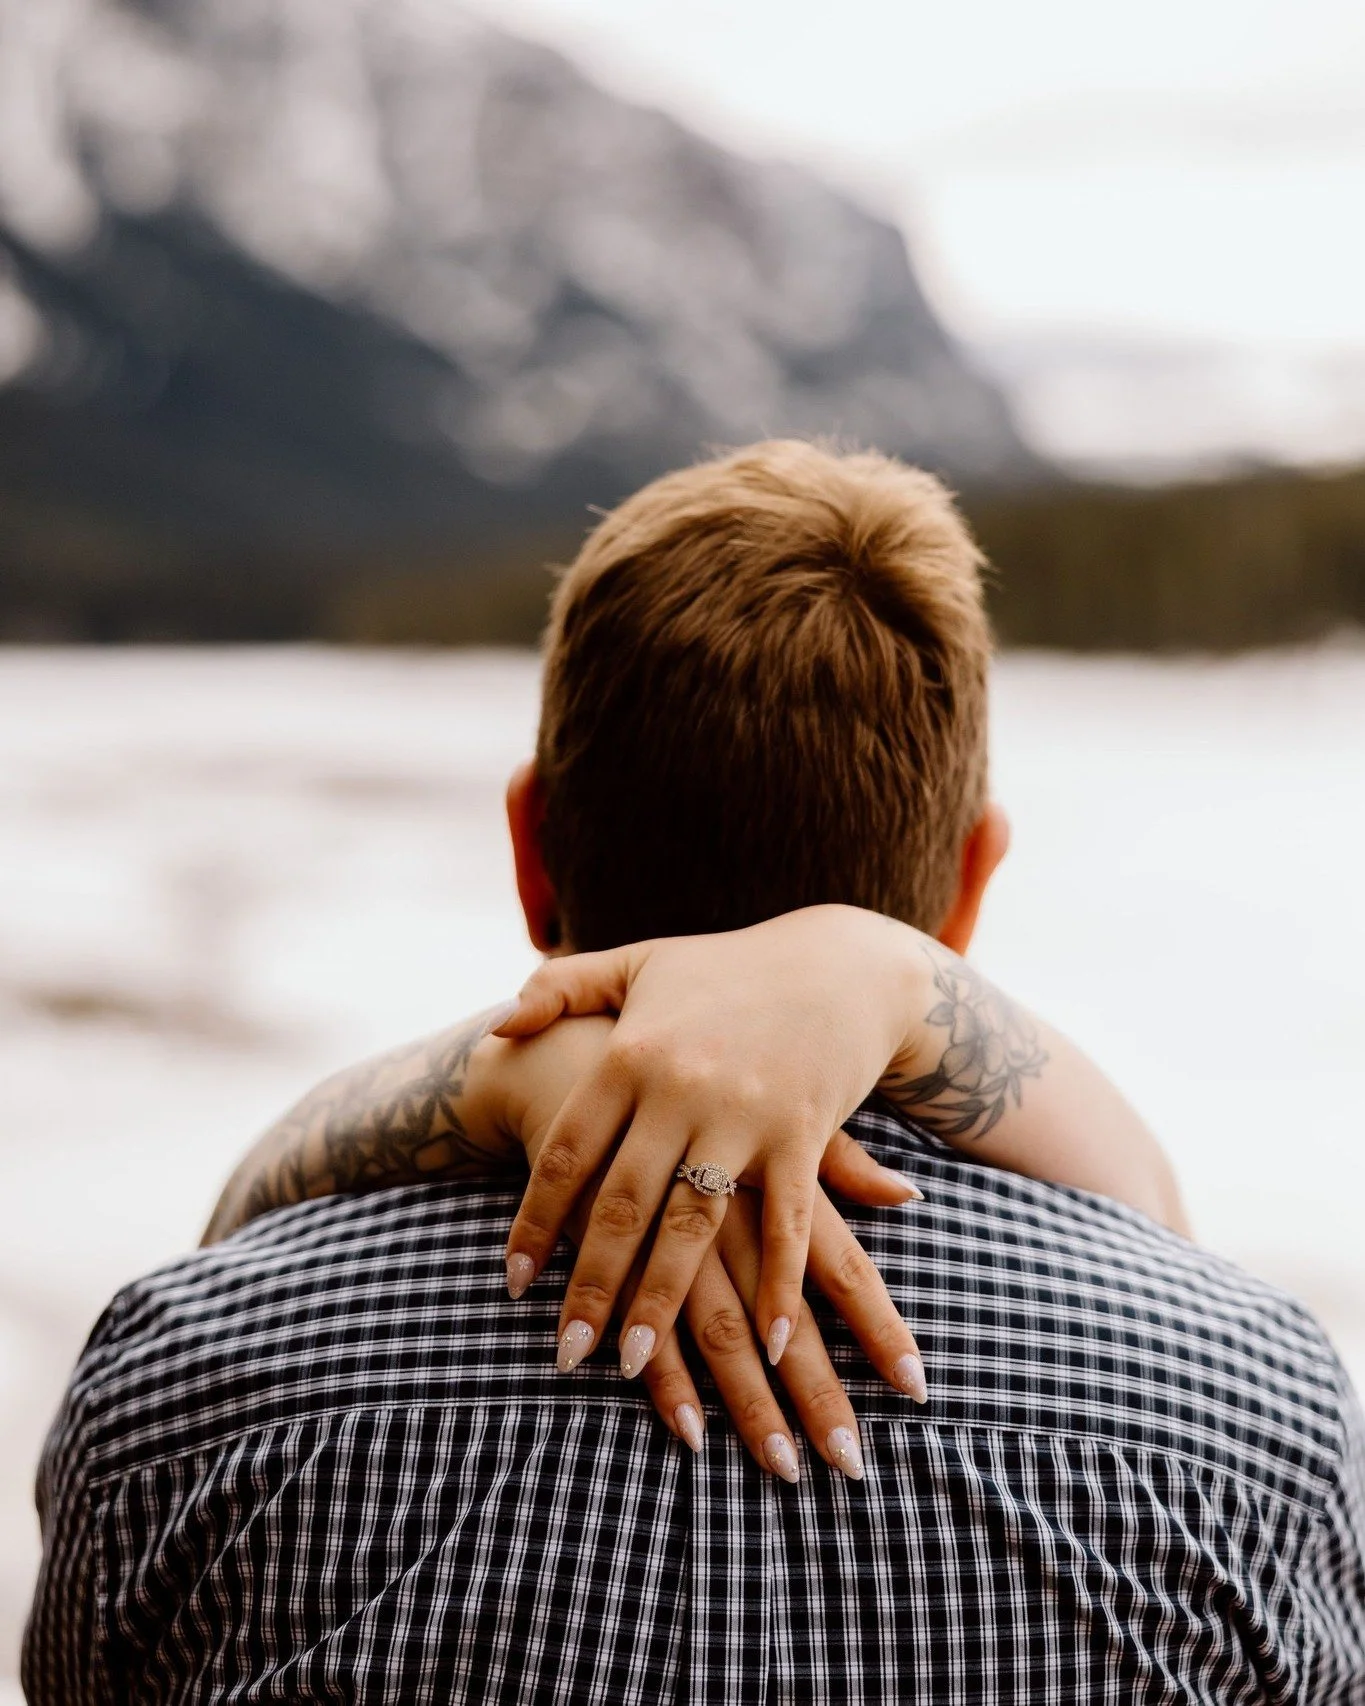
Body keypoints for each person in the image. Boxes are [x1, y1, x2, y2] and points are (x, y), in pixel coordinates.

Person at [25, 443, 1365, 1703]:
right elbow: (1157, 1218)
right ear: (967, 885)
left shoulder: (185, 1380)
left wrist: (498, 1068)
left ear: (531, 844)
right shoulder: (1253, 1410)